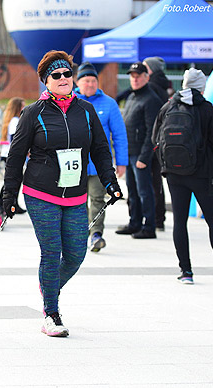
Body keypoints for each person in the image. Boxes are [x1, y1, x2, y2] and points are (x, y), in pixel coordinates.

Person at [3, 50, 122, 337]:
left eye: (68, 73)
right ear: (46, 81)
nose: (64, 79)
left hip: (76, 194)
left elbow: (101, 150)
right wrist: (9, 197)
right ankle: (51, 313)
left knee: (76, 254)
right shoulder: (33, 113)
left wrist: (110, 181)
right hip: (40, 192)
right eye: (56, 76)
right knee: (51, 251)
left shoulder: (86, 111)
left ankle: (48, 285)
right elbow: (16, 156)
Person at [151, 68, 213, 286]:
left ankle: (185, 272)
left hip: (174, 175)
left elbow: (155, 139)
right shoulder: (205, 108)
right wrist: (203, 157)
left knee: (180, 221)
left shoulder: (168, 106)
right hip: (201, 174)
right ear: (201, 86)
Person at [74, 62, 128, 252]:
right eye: (86, 80)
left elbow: (119, 134)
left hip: (98, 164)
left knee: (97, 199)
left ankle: (96, 234)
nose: (90, 84)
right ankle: (81, 234)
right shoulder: (70, 101)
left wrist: (121, 162)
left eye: (93, 81)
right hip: (75, 163)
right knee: (77, 201)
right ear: (77, 82)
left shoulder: (109, 103)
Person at [116, 62, 163, 239]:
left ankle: (149, 226)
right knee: (132, 190)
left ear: (146, 77)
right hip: (129, 152)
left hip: (140, 154)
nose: (135, 79)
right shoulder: (132, 97)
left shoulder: (151, 99)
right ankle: (134, 222)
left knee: (145, 191)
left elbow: (153, 131)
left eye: (138, 76)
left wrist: (144, 156)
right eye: (132, 76)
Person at [144, 56, 171, 231]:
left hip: (152, 137)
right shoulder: (166, 85)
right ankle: (160, 217)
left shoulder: (151, 87)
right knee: (156, 180)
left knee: (148, 181)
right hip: (163, 138)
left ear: (151, 69)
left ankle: (153, 218)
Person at [0, 97, 27, 216]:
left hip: (8, 153)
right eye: (22, 106)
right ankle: (0, 206)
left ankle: (15, 204)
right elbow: (15, 138)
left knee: (17, 181)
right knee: (10, 181)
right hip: (10, 154)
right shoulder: (15, 121)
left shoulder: (13, 120)